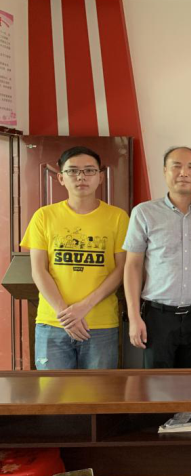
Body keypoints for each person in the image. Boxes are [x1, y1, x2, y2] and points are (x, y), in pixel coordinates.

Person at [20, 146, 129, 369]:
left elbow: (122, 269)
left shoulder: (118, 217)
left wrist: (83, 307)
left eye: (89, 170)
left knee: (99, 390)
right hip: (52, 322)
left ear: (100, 177)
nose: (81, 177)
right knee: (52, 389)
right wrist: (65, 313)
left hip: (100, 324)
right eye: (72, 171)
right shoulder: (44, 216)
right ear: (61, 178)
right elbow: (38, 270)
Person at [123, 146, 191, 368]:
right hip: (157, 317)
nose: (184, 173)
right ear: (165, 171)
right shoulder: (144, 212)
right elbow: (133, 266)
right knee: (157, 385)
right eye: (176, 166)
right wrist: (134, 317)